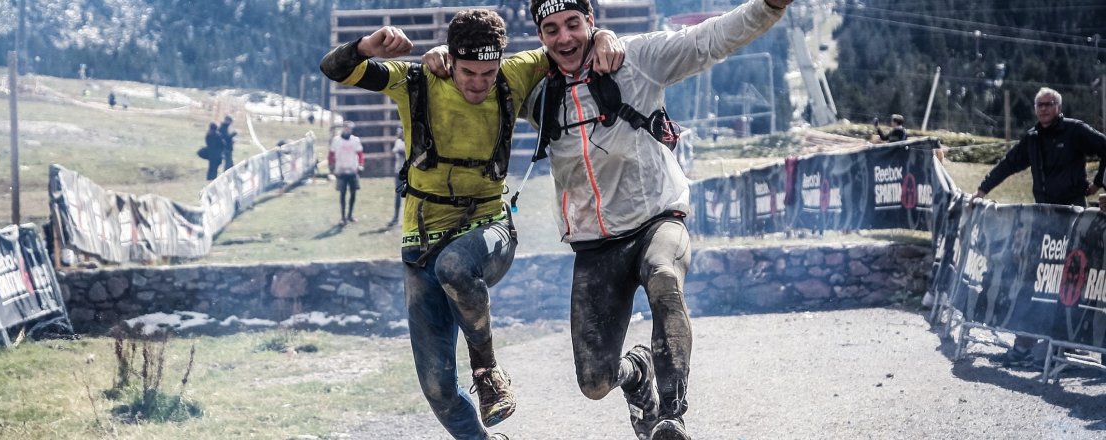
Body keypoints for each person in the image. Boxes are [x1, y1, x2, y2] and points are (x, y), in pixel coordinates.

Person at [320, 10, 621, 440]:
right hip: (420, 242)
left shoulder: (515, 74)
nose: (479, 83)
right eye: (468, 72)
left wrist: (606, 34)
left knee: (456, 267)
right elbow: (336, 69)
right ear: (451, 61)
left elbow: (569, 44)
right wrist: (367, 46)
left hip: (488, 227)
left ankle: (486, 369)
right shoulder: (417, 81)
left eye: (488, 72)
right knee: (437, 386)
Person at [521, 0, 790, 438]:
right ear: (540, 37)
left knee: (664, 278)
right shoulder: (537, 89)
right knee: (595, 382)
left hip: (656, 219)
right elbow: (477, 78)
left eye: (573, 23)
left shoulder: (638, 58)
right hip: (594, 242)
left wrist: (769, 7)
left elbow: (709, 40)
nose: (565, 37)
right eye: (551, 29)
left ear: (591, 21)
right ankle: (639, 374)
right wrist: (441, 59)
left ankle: (671, 413)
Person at [973, 86, 1106, 368]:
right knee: (1036, 280)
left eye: (1048, 104)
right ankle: (1029, 346)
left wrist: (1098, 182)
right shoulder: (1032, 138)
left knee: (1070, 283)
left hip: (1072, 222)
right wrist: (983, 189)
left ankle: (1065, 345)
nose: (1043, 109)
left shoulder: (1075, 131)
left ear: (1059, 106)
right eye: (1039, 105)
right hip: (1043, 222)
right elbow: (1009, 164)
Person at [328, 121, 364, 225]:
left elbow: (360, 154)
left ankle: (350, 215)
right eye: (346, 128)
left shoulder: (355, 140)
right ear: (343, 128)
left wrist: (361, 165)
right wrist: (331, 166)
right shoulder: (336, 140)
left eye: (350, 129)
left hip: (352, 170)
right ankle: (343, 217)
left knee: (353, 193)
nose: (348, 130)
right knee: (342, 193)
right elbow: (331, 154)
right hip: (341, 170)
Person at [388, 126, 406, 227]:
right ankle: (396, 218)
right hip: (398, 171)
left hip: (408, 173)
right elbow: (393, 152)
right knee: (398, 195)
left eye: (399, 132)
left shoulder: (410, 142)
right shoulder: (398, 142)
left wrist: (400, 152)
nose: (397, 134)